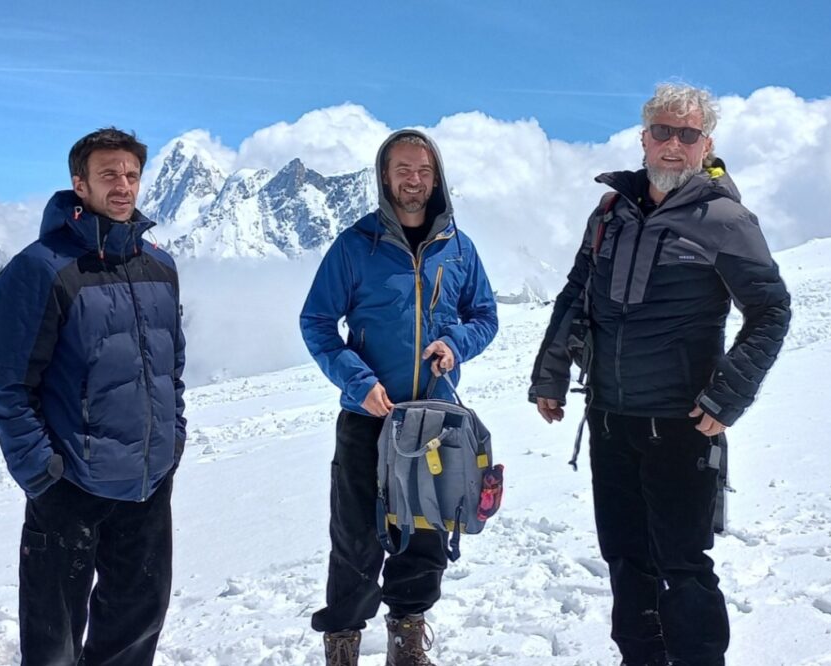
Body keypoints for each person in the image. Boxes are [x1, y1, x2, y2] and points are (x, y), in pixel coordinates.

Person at [529, 84, 791, 666]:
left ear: (707, 145)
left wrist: (728, 396)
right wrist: (550, 374)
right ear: (644, 138)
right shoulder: (609, 213)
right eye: (663, 132)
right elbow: (577, 294)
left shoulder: (725, 220)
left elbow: (771, 310)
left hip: (682, 423)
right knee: (624, 557)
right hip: (610, 418)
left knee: (682, 564)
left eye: (688, 135)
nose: (674, 145)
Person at [0, 127, 186, 665]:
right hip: (70, 486)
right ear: (80, 183)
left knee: (135, 629)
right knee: (54, 644)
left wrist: (171, 442)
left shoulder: (160, 267)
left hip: (147, 482)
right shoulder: (40, 269)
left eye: (131, 174)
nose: (123, 186)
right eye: (108, 174)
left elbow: (172, 368)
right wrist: (43, 477)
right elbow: (5, 386)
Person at [300, 129, 498, 665]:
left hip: (433, 419)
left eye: (423, 171)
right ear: (384, 177)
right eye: (403, 170)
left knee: (427, 531)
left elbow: (485, 316)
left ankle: (408, 634)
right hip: (368, 418)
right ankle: (343, 640)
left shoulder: (458, 248)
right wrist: (358, 383)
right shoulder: (354, 245)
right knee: (357, 537)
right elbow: (317, 321)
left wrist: (456, 345)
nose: (414, 181)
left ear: (436, 178)